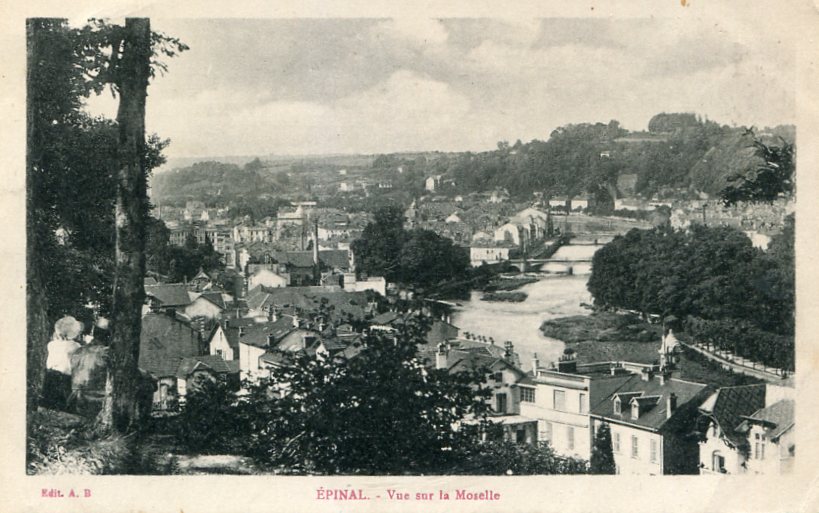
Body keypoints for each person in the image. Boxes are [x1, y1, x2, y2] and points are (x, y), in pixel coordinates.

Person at [42, 316, 84, 411]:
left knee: (48, 403)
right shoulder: (75, 346)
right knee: (64, 405)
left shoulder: (51, 344)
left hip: (50, 375)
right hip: (65, 378)